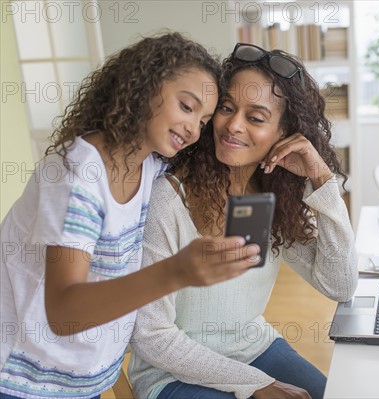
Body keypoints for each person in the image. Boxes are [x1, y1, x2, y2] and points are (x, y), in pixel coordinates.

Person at [0, 34, 262, 399]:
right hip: (22, 379)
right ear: (143, 85)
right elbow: (63, 313)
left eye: (203, 122)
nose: (193, 129)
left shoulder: (149, 165)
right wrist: (176, 271)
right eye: (187, 107)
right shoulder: (75, 176)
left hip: (83, 380)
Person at [127, 43, 359, 399]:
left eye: (255, 117)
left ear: (284, 134)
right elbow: (152, 336)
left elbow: (339, 285)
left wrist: (321, 178)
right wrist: (256, 385)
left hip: (254, 348)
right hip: (172, 374)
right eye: (227, 108)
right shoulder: (168, 199)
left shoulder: (276, 198)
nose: (233, 126)